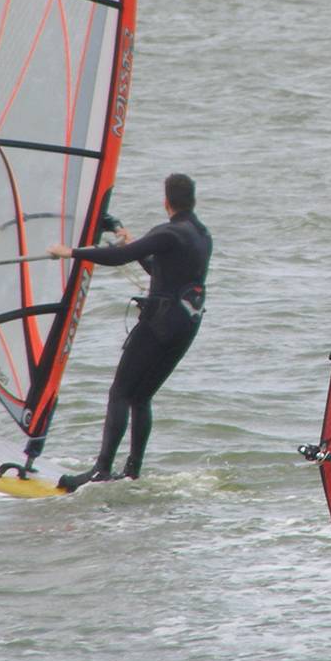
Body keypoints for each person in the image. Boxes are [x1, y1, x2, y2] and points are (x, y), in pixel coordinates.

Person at [47, 173, 212, 490]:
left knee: (120, 392)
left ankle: (101, 470)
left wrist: (72, 252)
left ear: (166, 201)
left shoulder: (168, 232)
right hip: (187, 325)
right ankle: (132, 471)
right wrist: (133, 244)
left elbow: (118, 257)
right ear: (192, 200)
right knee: (141, 396)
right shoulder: (201, 235)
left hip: (160, 323)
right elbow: (162, 268)